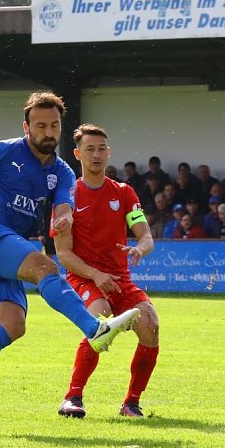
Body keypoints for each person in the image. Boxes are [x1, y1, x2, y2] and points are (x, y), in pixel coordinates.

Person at [0, 92, 139, 403]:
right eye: (40, 125)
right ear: (26, 126)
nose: (48, 133)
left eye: (54, 126)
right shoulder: (3, 151)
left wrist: (65, 219)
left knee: (14, 325)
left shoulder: (62, 172)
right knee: (45, 265)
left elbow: (63, 206)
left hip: (1, 256)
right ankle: (94, 329)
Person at [53, 123, 159, 418]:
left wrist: (140, 248)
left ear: (109, 152)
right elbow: (63, 254)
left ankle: (131, 403)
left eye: (101, 149)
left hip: (119, 279)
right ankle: (72, 397)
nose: (96, 155)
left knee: (150, 325)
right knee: (100, 321)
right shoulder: (66, 197)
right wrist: (96, 275)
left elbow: (146, 236)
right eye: (90, 149)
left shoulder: (124, 193)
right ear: (78, 154)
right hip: (85, 276)